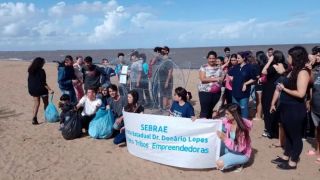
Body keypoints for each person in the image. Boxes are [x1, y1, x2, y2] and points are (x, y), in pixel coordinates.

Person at [270, 46, 310, 170]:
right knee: (288, 133)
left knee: (296, 136)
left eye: (289, 56)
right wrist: (273, 103)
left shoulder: (303, 72)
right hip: (286, 107)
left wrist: (284, 89)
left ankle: (293, 162)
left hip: (295, 109)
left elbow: (301, 93)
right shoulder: (292, 70)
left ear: (295, 57)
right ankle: (286, 156)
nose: (287, 58)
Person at [216, 103, 252, 171]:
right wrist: (199, 120)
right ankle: (233, 160)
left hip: (242, 154)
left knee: (219, 163)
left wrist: (225, 139)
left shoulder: (242, 130)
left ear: (234, 115)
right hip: (230, 148)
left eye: (227, 114)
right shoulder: (228, 120)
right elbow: (217, 122)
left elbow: (239, 149)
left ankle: (239, 163)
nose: (225, 116)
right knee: (215, 152)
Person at [261, 50, 287, 140]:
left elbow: (263, 71)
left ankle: (270, 131)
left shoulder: (274, 66)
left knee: (268, 110)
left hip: (269, 90)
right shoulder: (285, 65)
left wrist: (269, 61)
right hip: (279, 89)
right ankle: (276, 131)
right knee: (277, 109)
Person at [228, 51, 256, 118]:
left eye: (238, 58)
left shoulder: (249, 67)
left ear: (243, 58)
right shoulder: (235, 67)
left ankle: (245, 124)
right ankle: (237, 124)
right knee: (235, 110)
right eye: (237, 58)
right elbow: (228, 74)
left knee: (243, 109)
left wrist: (245, 84)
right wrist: (231, 78)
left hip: (244, 93)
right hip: (235, 92)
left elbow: (254, 78)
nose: (237, 59)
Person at [198, 51, 225, 119]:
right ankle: (202, 125)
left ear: (216, 58)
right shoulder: (203, 67)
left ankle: (209, 125)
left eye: (213, 58)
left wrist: (221, 79)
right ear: (207, 58)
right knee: (204, 111)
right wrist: (215, 79)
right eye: (210, 58)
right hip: (205, 92)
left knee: (210, 110)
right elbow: (203, 79)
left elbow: (222, 78)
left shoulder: (219, 68)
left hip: (216, 92)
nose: (212, 60)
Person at [28, 57, 54, 125]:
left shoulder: (30, 70)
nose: (44, 64)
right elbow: (43, 82)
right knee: (46, 103)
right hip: (41, 89)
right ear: (40, 63)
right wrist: (50, 89)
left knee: (36, 103)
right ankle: (47, 117)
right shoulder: (42, 71)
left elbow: (30, 80)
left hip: (32, 89)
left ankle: (34, 118)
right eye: (43, 63)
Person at [306, 46, 320, 163]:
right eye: (317, 55)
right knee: (317, 129)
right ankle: (318, 151)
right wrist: (310, 69)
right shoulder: (315, 69)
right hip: (315, 103)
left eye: (319, 55)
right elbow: (310, 84)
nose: (317, 57)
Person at [158, 46, 174, 110]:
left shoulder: (169, 60)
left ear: (167, 52)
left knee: (169, 95)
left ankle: (171, 108)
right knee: (163, 94)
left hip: (167, 80)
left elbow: (170, 71)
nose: (162, 51)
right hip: (161, 80)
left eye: (164, 50)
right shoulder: (161, 60)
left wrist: (167, 82)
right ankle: (164, 108)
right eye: (162, 50)